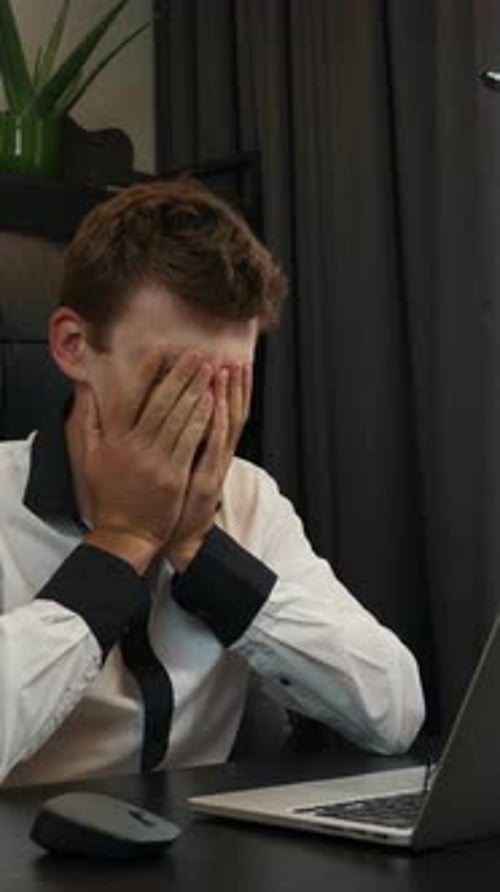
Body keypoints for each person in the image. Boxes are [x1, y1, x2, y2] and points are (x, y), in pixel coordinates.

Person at [0, 179, 425, 786]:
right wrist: (122, 541)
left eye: (230, 386)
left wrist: (201, 549)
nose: (201, 418)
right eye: (171, 379)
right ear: (74, 347)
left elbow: (396, 712)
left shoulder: (247, 497)